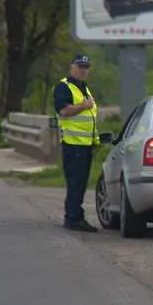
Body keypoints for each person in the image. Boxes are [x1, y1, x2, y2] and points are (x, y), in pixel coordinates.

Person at [52, 54, 100, 232]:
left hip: (85, 145)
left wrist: (95, 141)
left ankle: (75, 217)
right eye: (80, 66)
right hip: (73, 145)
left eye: (86, 67)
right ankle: (73, 219)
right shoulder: (64, 87)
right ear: (72, 67)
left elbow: (89, 119)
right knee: (75, 183)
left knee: (81, 183)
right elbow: (63, 111)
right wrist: (83, 106)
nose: (83, 70)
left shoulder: (84, 88)